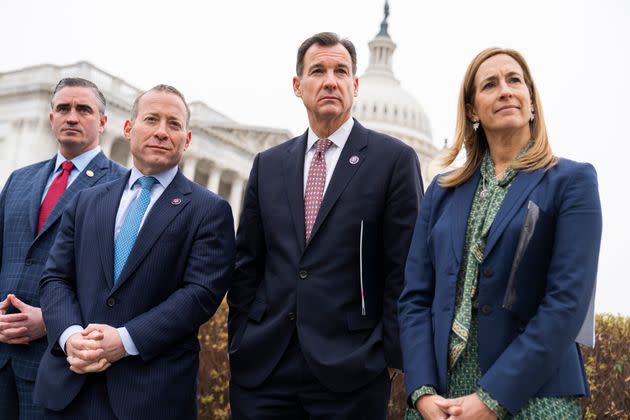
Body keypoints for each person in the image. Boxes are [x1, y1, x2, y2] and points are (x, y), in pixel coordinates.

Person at [228, 32, 423, 419]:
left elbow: (405, 266)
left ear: (355, 85)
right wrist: (241, 339)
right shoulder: (269, 164)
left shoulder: (394, 160)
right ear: (298, 86)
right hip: (264, 368)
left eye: (341, 71)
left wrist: (389, 355)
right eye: (317, 70)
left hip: (352, 373)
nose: (330, 80)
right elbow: (247, 261)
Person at [399, 47, 602, 419]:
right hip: (441, 401)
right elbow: (414, 299)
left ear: (531, 101)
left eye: (514, 81)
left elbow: (566, 303)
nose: (505, 90)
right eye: (490, 84)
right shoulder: (441, 193)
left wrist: (492, 398)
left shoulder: (571, 182)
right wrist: (422, 392)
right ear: (473, 110)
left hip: (535, 395)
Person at [33, 85, 235, 419]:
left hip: (150, 394)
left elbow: (200, 294)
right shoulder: (87, 201)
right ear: (128, 129)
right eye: (152, 119)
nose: (161, 131)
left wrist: (125, 340)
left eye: (173, 124)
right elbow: (55, 277)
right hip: (70, 385)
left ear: (186, 140)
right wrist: (70, 338)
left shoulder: (208, 210)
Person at [0, 77, 126, 419]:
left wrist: (54, 322)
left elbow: (124, 282)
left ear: (102, 122)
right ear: (51, 118)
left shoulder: (123, 187)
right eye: (63, 109)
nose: (72, 117)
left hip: (59, 367)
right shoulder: (19, 179)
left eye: (83, 109)